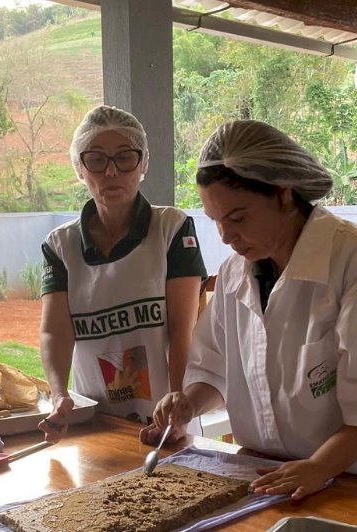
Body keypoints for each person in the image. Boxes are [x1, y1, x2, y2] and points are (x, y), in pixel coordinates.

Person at [141, 119, 357, 500]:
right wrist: (188, 403)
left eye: (238, 218)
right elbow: (214, 369)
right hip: (267, 478)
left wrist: (320, 467)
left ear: (284, 194)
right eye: (216, 221)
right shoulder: (233, 275)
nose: (226, 237)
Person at [38, 105, 207, 441]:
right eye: (97, 160)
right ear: (79, 168)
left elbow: (182, 331)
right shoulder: (61, 246)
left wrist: (178, 405)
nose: (111, 172)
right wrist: (60, 397)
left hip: (166, 419)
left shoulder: (171, 229)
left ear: (143, 164)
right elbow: (56, 333)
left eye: (124, 158)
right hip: (95, 421)